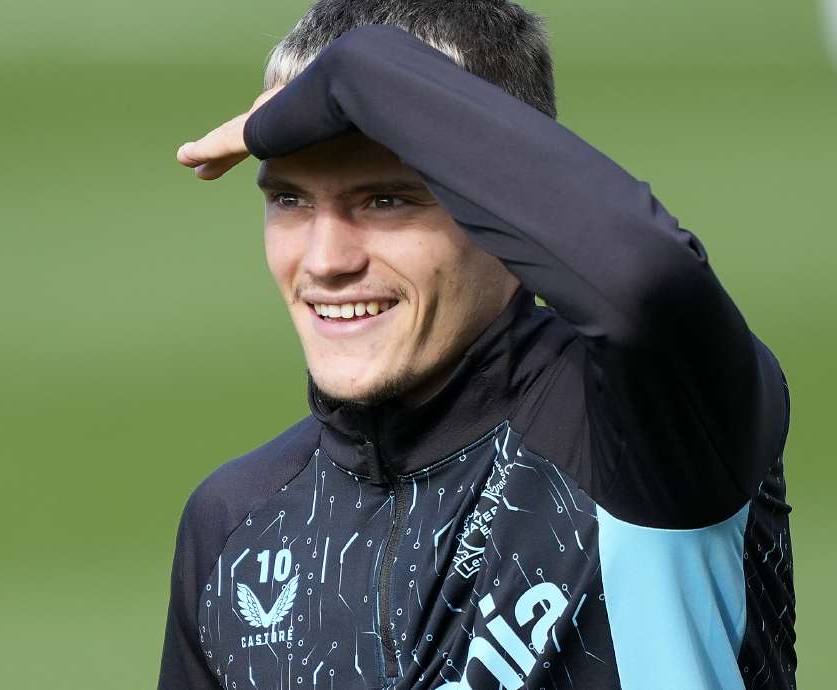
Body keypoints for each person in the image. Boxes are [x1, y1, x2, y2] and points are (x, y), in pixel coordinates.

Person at [160, 1, 795, 688]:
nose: (324, 260)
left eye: (387, 201)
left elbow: (643, 275)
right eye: (290, 200)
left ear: (502, 209)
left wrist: (353, 76)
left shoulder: (645, 424)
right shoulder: (235, 526)